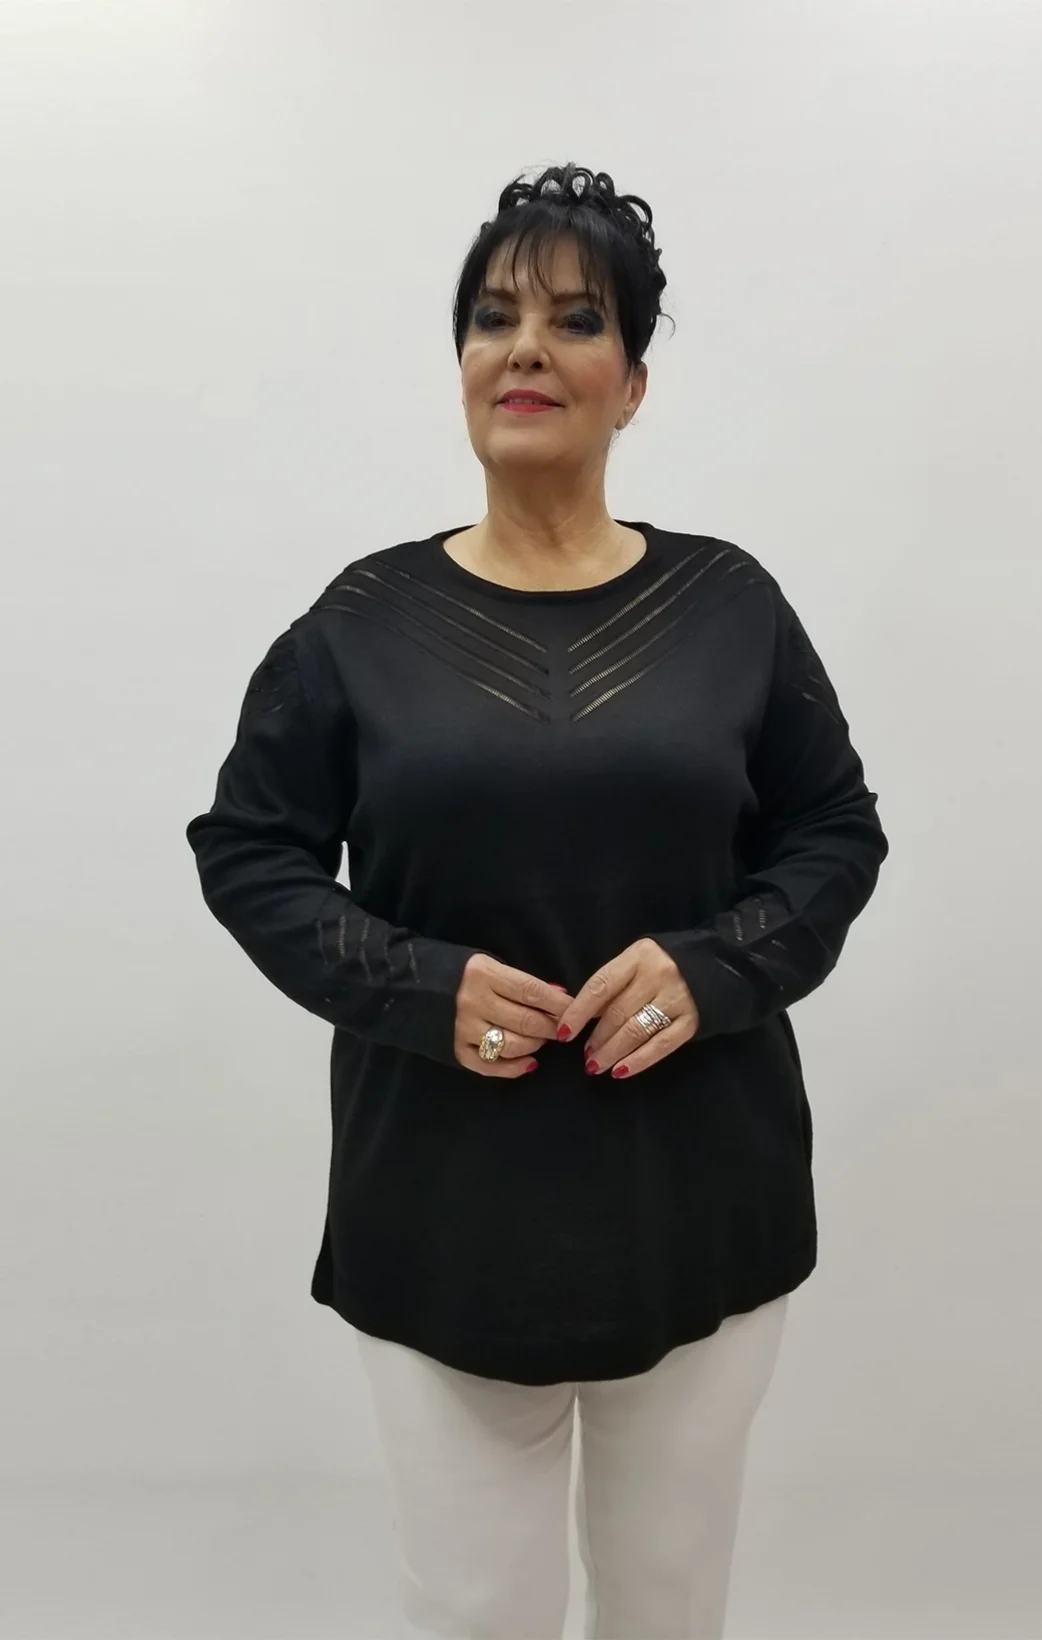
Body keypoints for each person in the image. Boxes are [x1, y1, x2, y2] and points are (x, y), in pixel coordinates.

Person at [185, 162, 889, 1640]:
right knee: (471, 1613)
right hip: (441, 1207)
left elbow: (834, 831)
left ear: (632, 383)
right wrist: (413, 983)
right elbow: (248, 847)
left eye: (577, 320)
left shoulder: (730, 606)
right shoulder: (362, 624)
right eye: (493, 317)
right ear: (459, 365)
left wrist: (720, 964)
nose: (526, 348)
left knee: (667, 1603)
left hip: (700, 1199)